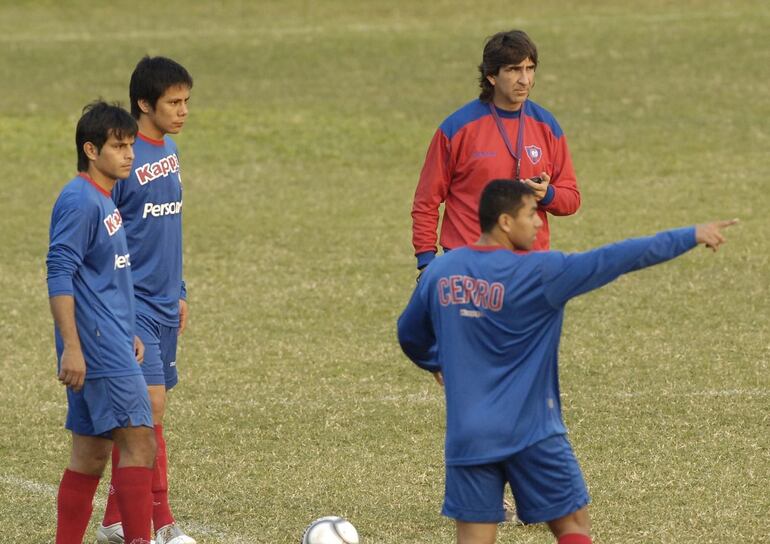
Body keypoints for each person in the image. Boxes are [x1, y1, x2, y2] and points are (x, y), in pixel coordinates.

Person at [397, 180, 737, 544]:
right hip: (530, 432)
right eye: (532, 214)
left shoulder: (441, 272)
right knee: (573, 525)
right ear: (506, 222)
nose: (539, 223)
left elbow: (409, 333)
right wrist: (689, 235)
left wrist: (436, 362)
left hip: (469, 435)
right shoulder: (541, 273)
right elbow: (616, 257)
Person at [47, 101, 156, 544]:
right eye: (118, 146)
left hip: (110, 338)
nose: (128, 154)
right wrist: (72, 346)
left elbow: (101, 277)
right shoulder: (79, 200)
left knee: (91, 454)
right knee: (140, 442)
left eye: (130, 144)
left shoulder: (103, 197)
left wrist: (125, 327)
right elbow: (59, 272)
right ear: (91, 150)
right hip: (97, 346)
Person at [96, 56, 195, 544]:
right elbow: (103, 235)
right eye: (173, 103)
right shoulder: (124, 160)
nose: (182, 111)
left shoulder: (170, 150)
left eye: (185, 101)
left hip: (164, 306)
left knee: (146, 415)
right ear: (143, 104)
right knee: (150, 411)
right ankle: (163, 522)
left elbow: (168, 227)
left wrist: (180, 291)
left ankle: (116, 517)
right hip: (130, 307)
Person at [411, 29, 581, 272]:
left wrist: (548, 194)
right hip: (468, 263)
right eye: (513, 70)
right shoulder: (457, 129)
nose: (525, 80)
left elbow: (572, 198)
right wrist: (426, 261)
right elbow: (426, 200)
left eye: (529, 68)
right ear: (491, 75)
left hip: (529, 265)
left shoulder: (547, 126)